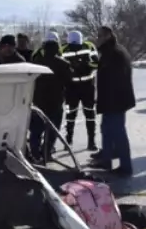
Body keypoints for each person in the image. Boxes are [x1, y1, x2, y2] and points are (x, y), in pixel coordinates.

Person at [92, 26, 135, 175]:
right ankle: (106, 160)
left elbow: (114, 80)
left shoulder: (114, 53)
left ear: (108, 36)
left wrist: (107, 100)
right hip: (113, 100)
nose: (97, 39)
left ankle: (125, 167)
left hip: (115, 101)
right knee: (107, 130)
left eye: (100, 36)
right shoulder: (112, 51)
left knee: (117, 133)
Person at [28, 32, 73, 163]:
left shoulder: (36, 62)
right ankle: (47, 153)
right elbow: (69, 82)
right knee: (53, 129)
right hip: (55, 102)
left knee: (36, 130)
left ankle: (35, 154)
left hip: (38, 101)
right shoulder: (63, 64)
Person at [61, 30, 99, 150]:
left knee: (90, 114)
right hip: (71, 88)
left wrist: (85, 65)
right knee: (70, 114)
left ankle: (91, 141)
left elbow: (97, 63)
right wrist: (71, 67)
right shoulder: (63, 49)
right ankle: (68, 140)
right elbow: (60, 66)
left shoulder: (89, 46)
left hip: (88, 86)